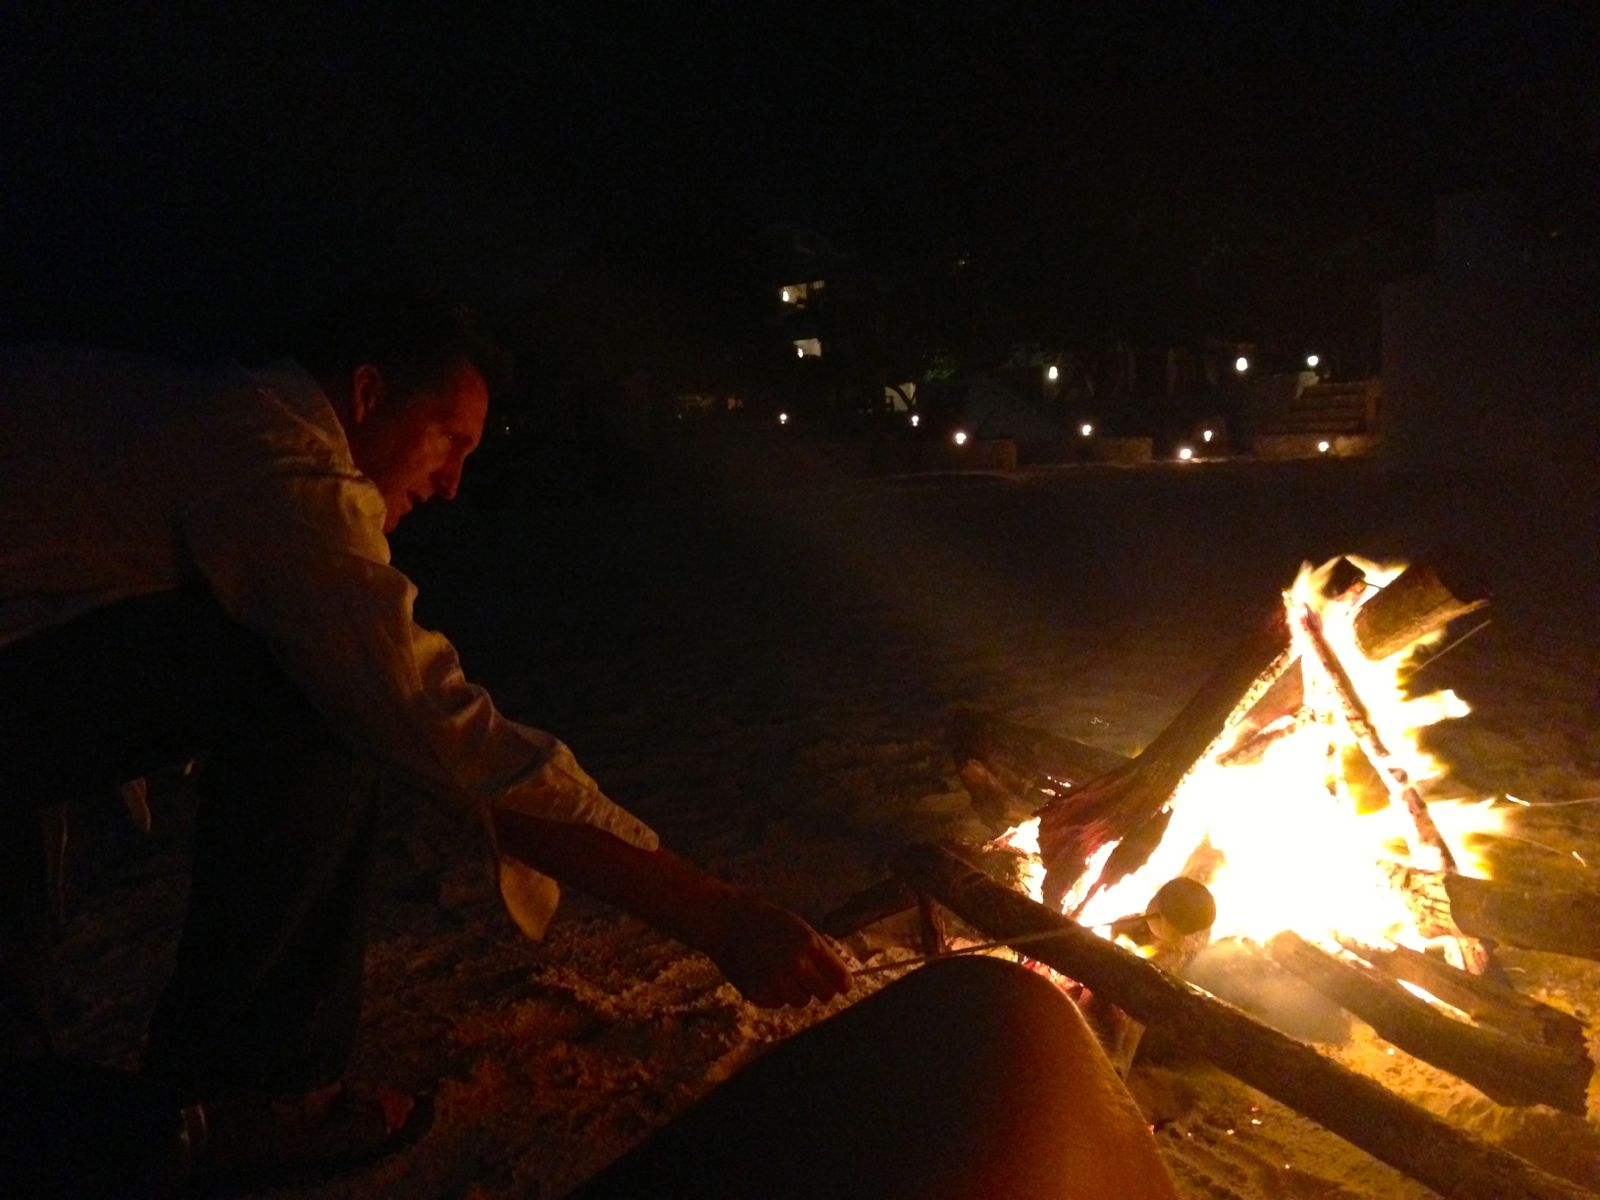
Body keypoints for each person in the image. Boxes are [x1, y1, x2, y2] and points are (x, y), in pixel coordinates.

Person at [0, 294, 1176, 1198]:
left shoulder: (206, 429)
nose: (451, 484)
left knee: (276, 675)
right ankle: (255, 1095)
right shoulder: (274, 461)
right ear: (364, 393)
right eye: (448, 439)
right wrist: (713, 914)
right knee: (312, 690)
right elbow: (434, 722)